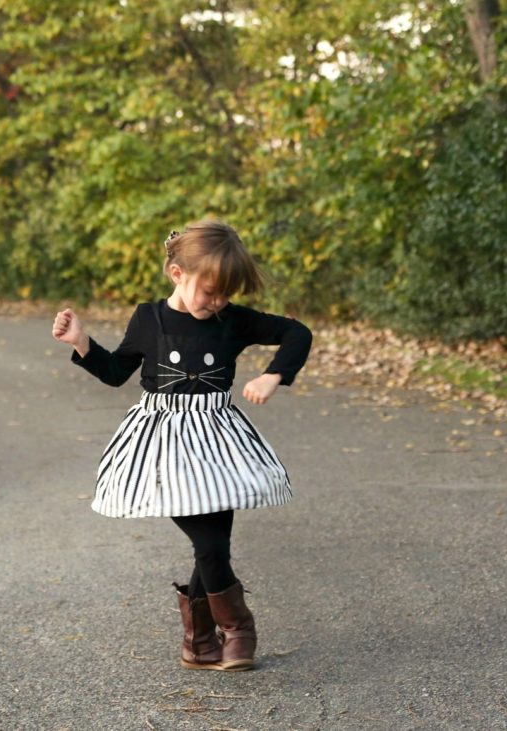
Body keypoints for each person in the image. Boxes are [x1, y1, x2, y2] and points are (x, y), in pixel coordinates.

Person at [51, 219, 312, 671]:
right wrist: (81, 343)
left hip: (218, 443)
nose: (216, 303)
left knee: (215, 544)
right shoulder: (148, 319)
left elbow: (297, 333)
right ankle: (239, 629)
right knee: (209, 540)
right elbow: (116, 374)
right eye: (208, 291)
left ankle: (199, 644)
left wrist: (274, 375)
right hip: (165, 445)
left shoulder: (231, 321)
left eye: (225, 295)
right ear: (177, 274)